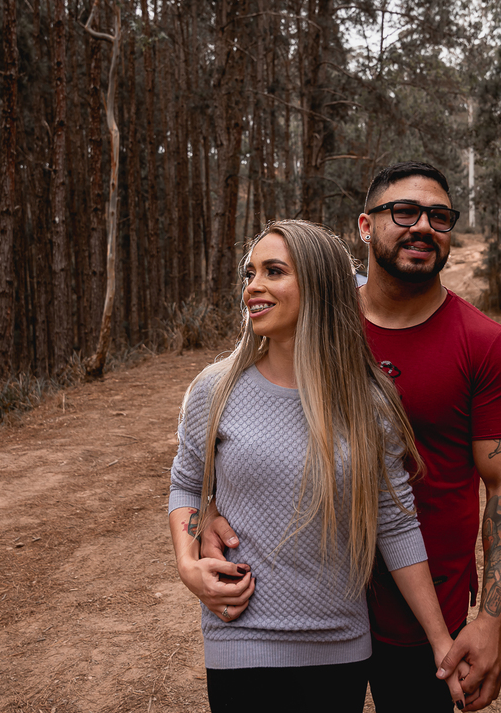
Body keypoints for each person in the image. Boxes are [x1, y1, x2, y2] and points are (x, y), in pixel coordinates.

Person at [204, 163, 501, 712]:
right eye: (404, 212)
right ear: (364, 225)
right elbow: (238, 427)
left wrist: (494, 622)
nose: (423, 226)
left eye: (440, 217)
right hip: (310, 604)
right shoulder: (305, 318)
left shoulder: (488, 348)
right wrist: (209, 511)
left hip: (421, 609)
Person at [168, 219, 465, 713]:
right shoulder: (215, 389)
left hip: (339, 644)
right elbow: (185, 484)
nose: (253, 286)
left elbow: (395, 522)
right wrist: (187, 564)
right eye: (250, 273)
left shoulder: (368, 402)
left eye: (274, 271)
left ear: (320, 286)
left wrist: (440, 641)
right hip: (240, 636)